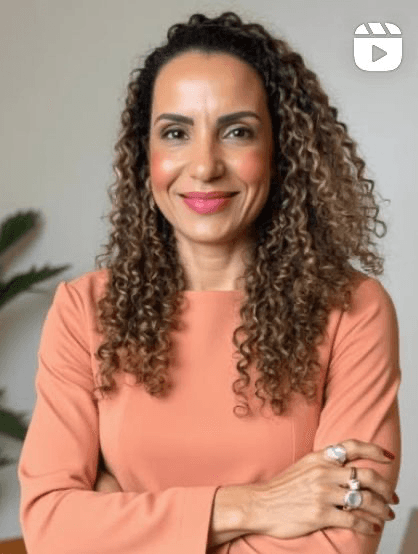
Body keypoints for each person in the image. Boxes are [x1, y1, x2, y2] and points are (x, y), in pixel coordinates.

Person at [17, 10, 401, 554]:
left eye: (237, 132)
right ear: (145, 155)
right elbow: (51, 527)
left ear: (281, 149)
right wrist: (255, 506)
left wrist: (121, 522)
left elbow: (338, 544)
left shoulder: (352, 308)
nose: (203, 166)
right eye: (176, 133)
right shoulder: (85, 309)